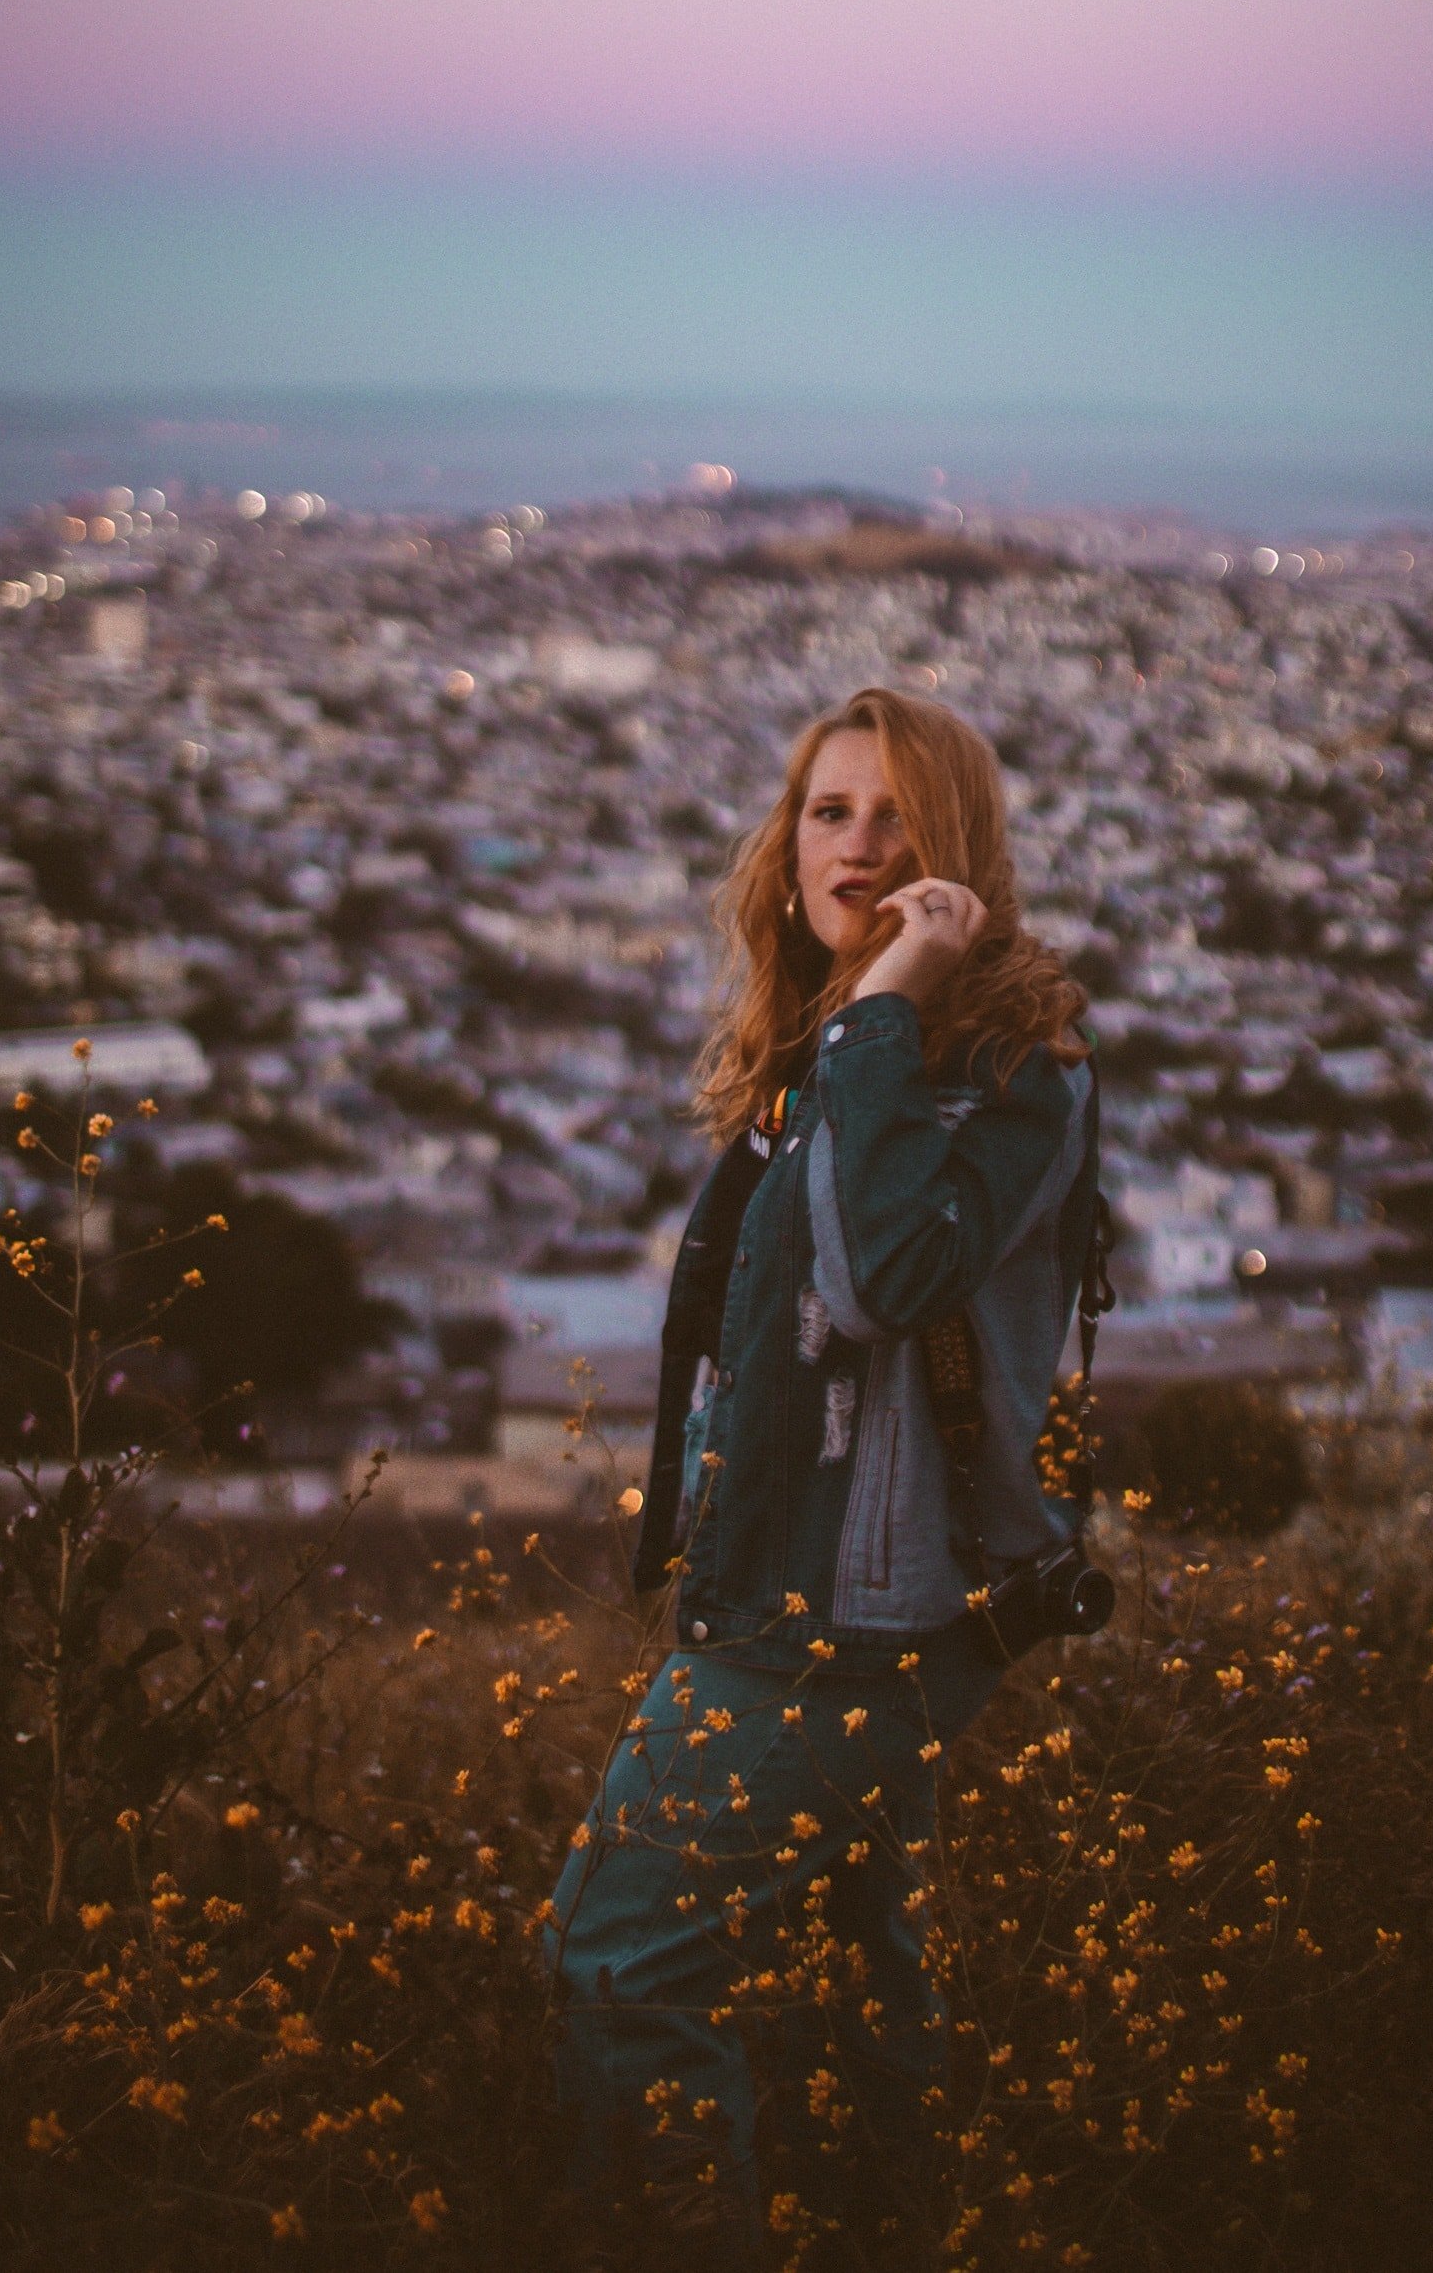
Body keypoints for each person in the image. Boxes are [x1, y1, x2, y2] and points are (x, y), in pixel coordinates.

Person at [543, 685, 1100, 2268]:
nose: (857, 845)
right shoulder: (832, 1045)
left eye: (899, 817)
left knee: (620, 1962)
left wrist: (886, 1004)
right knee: (869, 1995)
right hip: (812, 1580)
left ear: (961, 856)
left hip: (844, 1610)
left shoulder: (999, 1065)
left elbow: (877, 1285)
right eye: (828, 809)